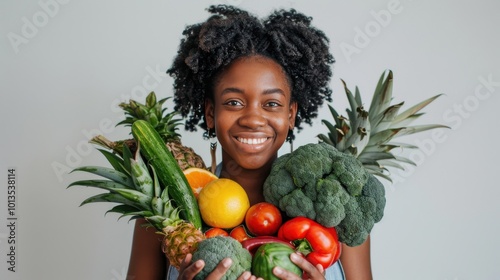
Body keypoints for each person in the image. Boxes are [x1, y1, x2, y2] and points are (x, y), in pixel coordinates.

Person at [127, 5, 372, 280]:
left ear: (290, 114)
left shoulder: (339, 210)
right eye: (234, 102)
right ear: (211, 113)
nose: (253, 119)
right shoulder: (163, 208)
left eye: (272, 103)